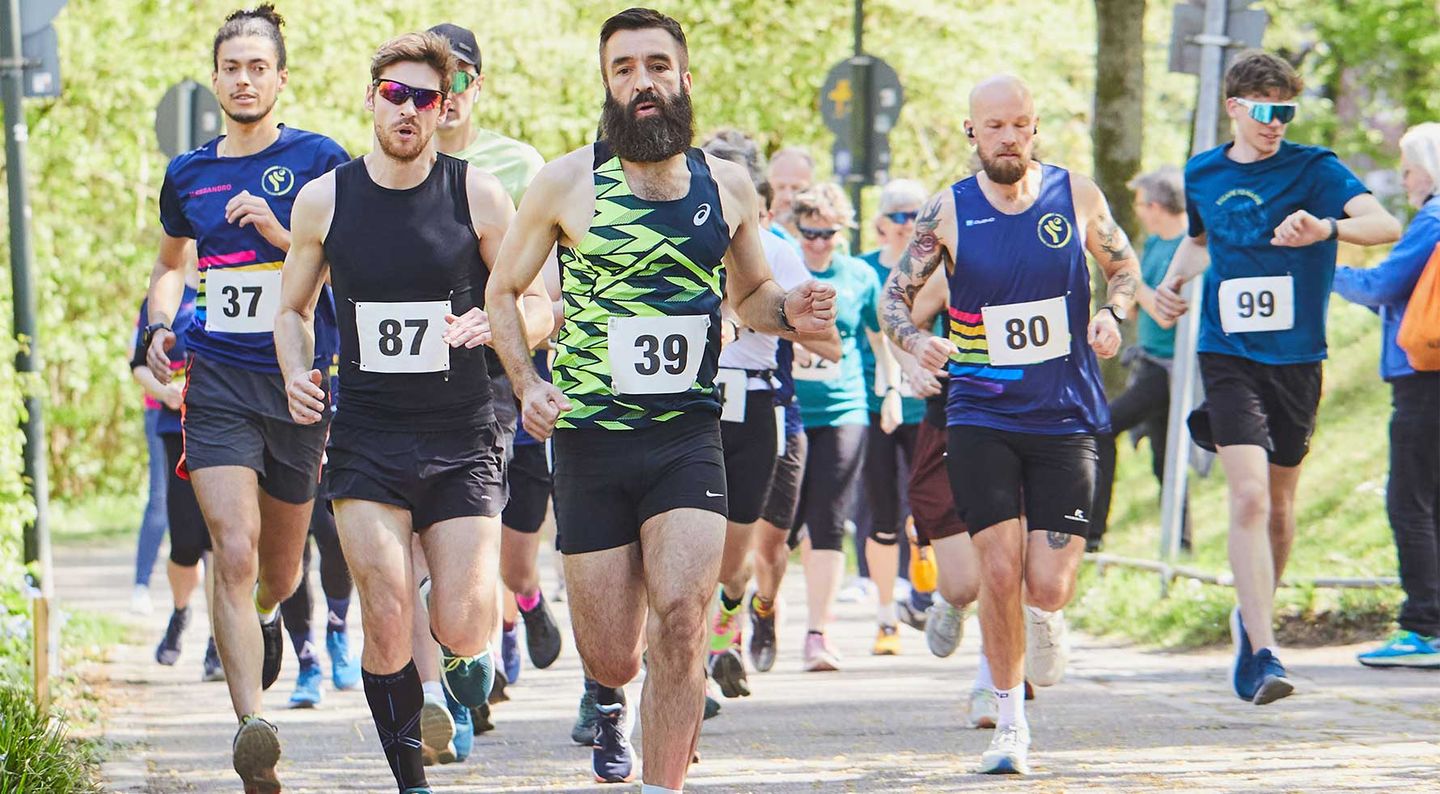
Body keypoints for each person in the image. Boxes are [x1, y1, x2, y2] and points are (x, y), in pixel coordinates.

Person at [484, 9, 836, 790]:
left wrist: (793, 313)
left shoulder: (727, 184)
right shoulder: (566, 183)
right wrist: (527, 385)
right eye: (623, 69)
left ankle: (662, 780)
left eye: (655, 65)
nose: (641, 81)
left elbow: (750, 297)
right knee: (612, 651)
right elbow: (503, 291)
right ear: (607, 85)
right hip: (589, 442)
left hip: (686, 435)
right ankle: (616, 699)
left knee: (681, 620)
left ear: (684, 77)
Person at [274, 31, 550, 794]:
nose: (407, 109)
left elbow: (536, 301)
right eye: (393, 93)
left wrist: (498, 326)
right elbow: (291, 311)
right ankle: (409, 780)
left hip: (463, 434)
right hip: (366, 436)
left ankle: (469, 660)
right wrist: (298, 372)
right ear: (370, 99)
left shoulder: (478, 194)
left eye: (422, 98)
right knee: (388, 612)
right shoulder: (326, 198)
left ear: (443, 108)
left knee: (462, 620)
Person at [880, 74, 1141, 774]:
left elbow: (1123, 267)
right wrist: (913, 341)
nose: (1008, 137)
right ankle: (1010, 721)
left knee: (1046, 583)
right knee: (999, 570)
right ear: (973, 132)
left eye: (1020, 124)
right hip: (981, 414)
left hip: (1066, 416)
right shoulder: (948, 212)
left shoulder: (1076, 195)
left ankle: (1047, 616)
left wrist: (1113, 313)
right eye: (994, 126)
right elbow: (894, 296)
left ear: (1034, 128)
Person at [141, 7, 349, 789]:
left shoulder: (321, 160)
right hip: (219, 380)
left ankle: (265, 618)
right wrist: (161, 323)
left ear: (280, 77)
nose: (244, 78)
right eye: (232, 66)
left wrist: (280, 231)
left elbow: (351, 258)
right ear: (217, 77)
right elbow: (170, 264)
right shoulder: (189, 173)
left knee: (279, 571)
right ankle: (250, 727)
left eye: (259, 66)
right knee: (231, 548)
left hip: (298, 382)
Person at [1154, 51, 1401, 704]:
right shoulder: (1202, 173)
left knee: (1282, 507)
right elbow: (1204, 242)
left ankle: (1249, 614)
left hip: (1297, 357)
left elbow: (1386, 224)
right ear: (1235, 108)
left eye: (1286, 112)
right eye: (1265, 111)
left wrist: (1327, 226)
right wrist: (1171, 283)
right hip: (1227, 351)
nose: (1275, 125)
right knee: (1250, 498)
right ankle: (1264, 652)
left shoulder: (1315, 168)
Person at [413, 21, 562, 760]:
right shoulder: (388, 161)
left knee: (483, 544)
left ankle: (481, 647)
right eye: (429, 82)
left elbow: (545, 298)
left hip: (489, 385)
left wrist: (509, 344)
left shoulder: (517, 165)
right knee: (411, 545)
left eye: (460, 78)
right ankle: (446, 688)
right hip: (400, 386)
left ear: (478, 86)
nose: (445, 96)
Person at [700, 128, 840, 699]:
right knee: (688, 547)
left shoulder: (779, 252)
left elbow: (828, 340)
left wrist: (777, 320)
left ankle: (736, 613)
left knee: (743, 556)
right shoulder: (679, 239)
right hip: (693, 400)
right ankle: (700, 663)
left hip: (758, 400)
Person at [1333, 122, 1440, 669]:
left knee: (1409, 501)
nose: (1403, 179)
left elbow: (1381, 287)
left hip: (1424, 377)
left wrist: (1326, 268)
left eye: (1407, 167)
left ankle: (1424, 626)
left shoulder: (1434, 218)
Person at [788, 182, 900, 670]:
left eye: (828, 234)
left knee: (829, 520)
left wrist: (891, 390)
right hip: (787, 408)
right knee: (777, 530)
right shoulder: (781, 269)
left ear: (843, 232)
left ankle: (818, 632)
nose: (818, 243)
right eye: (809, 233)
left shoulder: (858, 276)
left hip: (845, 407)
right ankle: (758, 609)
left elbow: (880, 341)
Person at [1090, 167, 1190, 553]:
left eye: (1139, 204)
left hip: (1171, 367)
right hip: (1148, 362)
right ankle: (1180, 543)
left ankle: (1094, 533)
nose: (1137, 211)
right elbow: (1136, 310)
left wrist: (1130, 282)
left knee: (1102, 427)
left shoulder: (1189, 248)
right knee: (1165, 456)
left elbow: (1167, 312)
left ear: (1154, 206)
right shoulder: (1152, 245)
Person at [132, 278, 224, 683]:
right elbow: (138, 364)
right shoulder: (163, 300)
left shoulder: (230, 284)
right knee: (186, 542)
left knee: (219, 540)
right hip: (175, 426)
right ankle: (181, 611)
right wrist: (166, 392)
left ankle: (218, 642)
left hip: (225, 426)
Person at [857, 178, 933, 651]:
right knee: (883, 513)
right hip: (872, 404)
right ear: (883, 224)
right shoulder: (865, 271)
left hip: (926, 400)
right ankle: (886, 616)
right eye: (901, 216)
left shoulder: (939, 268)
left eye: (917, 215)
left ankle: (927, 595)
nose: (910, 225)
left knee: (930, 506)